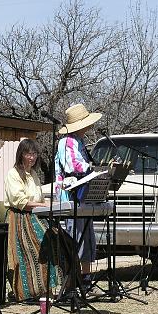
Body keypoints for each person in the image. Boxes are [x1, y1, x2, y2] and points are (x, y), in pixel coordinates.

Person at [54, 103, 104, 298]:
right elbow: (73, 165)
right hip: (71, 196)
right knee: (75, 241)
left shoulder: (78, 141)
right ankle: (74, 283)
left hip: (82, 198)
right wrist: (93, 169)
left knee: (87, 240)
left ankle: (85, 280)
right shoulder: (67, 142)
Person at [4, 139, 64, 301]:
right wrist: (45, 205)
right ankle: (36, 291)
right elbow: (22, 202)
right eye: (28, 153)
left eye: (34, 154)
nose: (32, 157)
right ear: (21, 155)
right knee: (43, 242)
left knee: (60, 238)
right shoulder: (14, 174)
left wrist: (54, 203)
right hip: (20, 218)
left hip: (35, 215)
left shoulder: (33, 174)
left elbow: (39, 198)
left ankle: (55, 287)